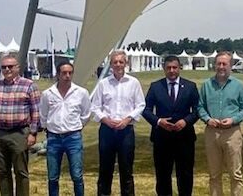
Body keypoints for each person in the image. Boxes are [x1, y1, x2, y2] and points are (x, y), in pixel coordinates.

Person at [0, 55, 41, 196]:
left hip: (19, 133)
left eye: (10, 66)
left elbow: (36, 112)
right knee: (2, 171)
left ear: (17, 67)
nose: (7, 69)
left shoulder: (29, 85)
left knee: (21, 171)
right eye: (4, 67)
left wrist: (33, 133)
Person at [143, 55, 200, 196]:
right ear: (164, 69)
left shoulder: (190, 86)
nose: (172, 71)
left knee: (185, 175)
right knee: (162, 175)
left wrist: (186, 121)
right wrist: (158, 121)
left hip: (184, 138)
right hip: (162, 138)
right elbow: (145, 109)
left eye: (174, 67)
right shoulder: (155, 86)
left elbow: (198, 110)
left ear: (179, 68)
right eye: (168, 68)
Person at [91, 50, 146, 196]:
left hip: (126, 130)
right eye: (115, 62)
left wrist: (128, 119)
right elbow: (95, 106)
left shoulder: (133, 83)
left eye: (121, 62)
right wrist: (105, 119)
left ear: (126, 63)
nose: (118, 65)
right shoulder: (103, 83)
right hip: (107, 130)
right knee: (105, 170)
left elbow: (140, 104)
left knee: (126, 170)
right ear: (111, 64)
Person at [198, 51, 243, 196]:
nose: (221, 67)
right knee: (214, 174)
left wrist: (233, 119)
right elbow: (200, 106)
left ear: (231, 65)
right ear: (215, 65)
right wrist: (208, 119)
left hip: (232, 133)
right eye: (219, 63)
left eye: (224, 64)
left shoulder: (239, 85)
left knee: (235, 174)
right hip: (212, 132)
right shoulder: (207, 85)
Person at [41, 61, 91, 196]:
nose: (67, 76)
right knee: (52, 176)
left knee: (77, 175)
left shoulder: (81, 92)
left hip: (73, 137)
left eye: (70, 73)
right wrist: (49, 128)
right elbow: (43, 116)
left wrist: (76, 126)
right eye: (64, 73)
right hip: (53, 138)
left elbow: (86, 114)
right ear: (58, 74)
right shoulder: (48, 94)